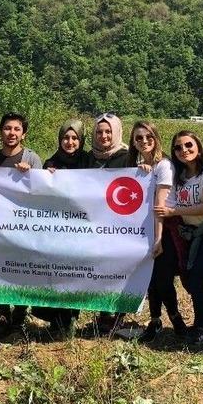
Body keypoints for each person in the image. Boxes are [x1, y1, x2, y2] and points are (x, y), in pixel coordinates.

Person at [154, 131, 203, 345]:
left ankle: (200, 327)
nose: (184, 150)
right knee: (202, 277)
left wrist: (174, 211)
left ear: (198, 146)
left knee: (196, 277)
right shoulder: (179, 176)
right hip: (191, 233)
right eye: (178, 147)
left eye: (188, 145)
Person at [128, 121, 188, 343]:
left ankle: (175, 317)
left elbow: (159, 206)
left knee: (163, 278)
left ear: (156, 138)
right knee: (150, 279)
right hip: (144, 229)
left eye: (148, 137)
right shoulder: (138, 166)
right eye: (139, 138)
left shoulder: (164, 165)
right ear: (133, 142)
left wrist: (159, 239)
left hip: (166, 229)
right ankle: (154, 320)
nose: (144, 141)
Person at [34, 119, 88, 338]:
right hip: (56, 229)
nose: (70, 142)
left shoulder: (88, 161)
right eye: (66, 137)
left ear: (81, 140)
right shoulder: (51, 162)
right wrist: (47, 176)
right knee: (55, 274)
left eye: (75, 138)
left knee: (73, 275)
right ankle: (56, 321)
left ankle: (70, 319)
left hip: (81, 229)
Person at [0, 112, 43, 337]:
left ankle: (20, 317)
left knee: (24, 272)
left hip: (25, 227)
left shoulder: (32, 158)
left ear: (23, 134)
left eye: (16, 129)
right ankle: (3, 314)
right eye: (7, 128)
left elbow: (43, 190)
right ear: (1, 131)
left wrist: (32, 175)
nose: (11, 133)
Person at [84, 112, 131, 335]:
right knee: (98, 268)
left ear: (117, 132)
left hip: (119, 222)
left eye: (108, 131)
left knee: (119, 267)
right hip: (93, 223)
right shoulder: (88, 158)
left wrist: (145, 171)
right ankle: (103, 314)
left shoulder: (128, 157)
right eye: (99, 132)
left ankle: (120, 315)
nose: (103, 136)